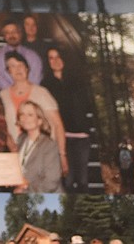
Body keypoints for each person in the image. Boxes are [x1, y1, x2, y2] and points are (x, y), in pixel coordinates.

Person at [0, 52, 67, 175]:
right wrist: (12, 147)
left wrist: (62, 154)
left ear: (27, 68)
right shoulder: (2, 96)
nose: (18, 69)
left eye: (21, 65)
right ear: (8, 71)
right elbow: (2, 126)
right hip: (18, 152)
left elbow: (58, 124)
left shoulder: (41, 92)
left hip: (43, 152)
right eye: (12, 66)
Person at [44, 46, 95, 193]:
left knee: (83, 180)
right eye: (51, 58)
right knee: (68, 179)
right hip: (62, 137)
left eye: (58, 56)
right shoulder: (46, 85)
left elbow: (86, 106)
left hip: (81, 137)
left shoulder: (78, 81)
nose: (55, 61)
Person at [14, 100, 64, 193]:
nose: (25, 118)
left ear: (39, 120)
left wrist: (25, 191)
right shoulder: (21, 139)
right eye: (22, 114)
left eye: (30, 115)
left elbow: (51, 182)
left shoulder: (49, 145)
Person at [0, 19, 44, 89]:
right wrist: (14, 92)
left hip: (31, 94)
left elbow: (36, 77)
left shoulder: (32, 55)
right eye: (7, 33)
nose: (11, 35)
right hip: (8, 95)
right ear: (4, 36)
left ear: (20, 33)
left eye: (14, 31)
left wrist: (26, 92)